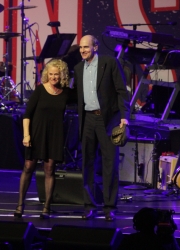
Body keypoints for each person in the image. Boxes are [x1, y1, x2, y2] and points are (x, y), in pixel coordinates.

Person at [73, 35, 130, 221]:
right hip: (88, 120)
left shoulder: (109, 63)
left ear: (95, 47)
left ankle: (109, 207)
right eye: (81, 47)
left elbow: (122, 91)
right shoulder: (78, 68)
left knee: (110, 164)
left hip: (108, 120)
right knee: (87, 164)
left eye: (86, 47)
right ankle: (89, 206)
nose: (82, 50)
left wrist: (124, 117)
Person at [14, 59, 71, 219]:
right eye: (51, 74)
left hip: (54, 134)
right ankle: (20, 204)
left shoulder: (66, 92)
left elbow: (84, 98)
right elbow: (27, 115)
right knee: (28, 167)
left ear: (62, 75)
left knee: (49, 169)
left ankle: (46, 208)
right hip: (37, 132)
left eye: (56, 74)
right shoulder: (40, 90)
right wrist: (26, 135)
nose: (53, 77)